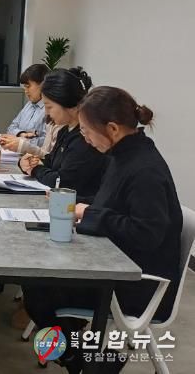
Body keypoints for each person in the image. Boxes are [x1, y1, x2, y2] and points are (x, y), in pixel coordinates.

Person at [24, 87, 183, 373]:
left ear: (112, 128)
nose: (84, 138)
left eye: (86, 131)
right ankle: (83, 357)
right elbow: (109, 203)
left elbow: (145, 233)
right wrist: (75, 203)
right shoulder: (123, 155)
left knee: (39, 289)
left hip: (136, 282)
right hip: (113, 263)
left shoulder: (144, 170)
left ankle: (85, 360)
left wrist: (89, 213)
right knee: (37, 280)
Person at [19, 67, 105, 197]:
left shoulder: (85, 138)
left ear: (67, 103)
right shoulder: (65, 130)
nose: (46, 112)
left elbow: (62, 182)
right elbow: (51, 162)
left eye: (49, 107)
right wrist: (29, 162)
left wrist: (35, 170)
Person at [0, 64, 50, 152]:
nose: (26, 91)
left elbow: (47, 142)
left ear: (42, 85)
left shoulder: (49, 109)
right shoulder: (29, 105)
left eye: (28, 86)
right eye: (24, 87)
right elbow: (11, 128)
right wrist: (21, 134)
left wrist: (20, 141)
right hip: (18, 153)